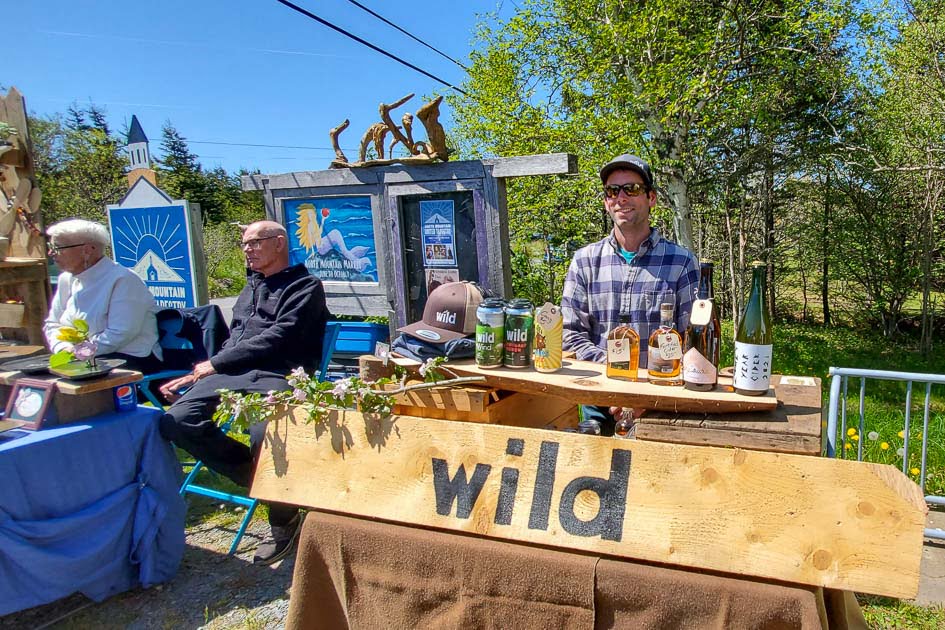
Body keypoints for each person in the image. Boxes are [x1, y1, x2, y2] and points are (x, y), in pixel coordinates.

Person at [158, 220, 329, 565]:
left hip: (279, 371)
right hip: (233, 372)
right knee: (177, 420)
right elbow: (236, 336)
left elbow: (279, 336)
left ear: (279, 243)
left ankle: (282, 520)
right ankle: (265, 485)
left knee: (266, 432)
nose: (247, 250)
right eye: (244, 244)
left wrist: (215, 364)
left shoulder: (305, 286)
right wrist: (205, 371)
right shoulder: (250, 286)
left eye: (254, 243)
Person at [561, 154, 699, 436]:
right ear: (606, 202)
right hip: (598, 399)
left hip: (659, 402)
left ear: (651, 198)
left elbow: (693, 340)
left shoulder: (681, 262)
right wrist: (618, 375)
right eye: (613, 191)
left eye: (631, 189)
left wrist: (644, 392)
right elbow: (570, 333)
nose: (621, 197)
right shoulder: (584, 261)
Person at [43, 219, 163, 373]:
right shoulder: (66, 279)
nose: (51, 253)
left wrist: (78, 353)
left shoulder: (123, 279)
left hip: (130, 360)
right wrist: (62, 348)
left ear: (87, 250)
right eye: (50, 247)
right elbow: (53, 323)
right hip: (84, 358)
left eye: (57, 247)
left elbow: (121, 333)